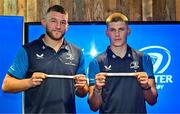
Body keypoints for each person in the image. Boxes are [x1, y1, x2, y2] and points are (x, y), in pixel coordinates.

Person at [2, 5, 88, 113]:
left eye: (63, 22)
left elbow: (82, 93)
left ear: (67, 26)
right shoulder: (27, 50)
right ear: (44, 23)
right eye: (53, 21)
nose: (58, 26)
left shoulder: (77, 52)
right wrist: (29, 82)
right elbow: (6, 85)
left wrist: (81, 87)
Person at [88, 12, 158, 113]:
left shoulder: (144, 58)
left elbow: (152, 101)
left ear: (128, 31)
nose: (117, 34)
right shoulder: (96, 62)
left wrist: (146, 86)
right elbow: (94, 107)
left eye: (121, 29)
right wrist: (97, 89)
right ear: (107, 32)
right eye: (113, 30)